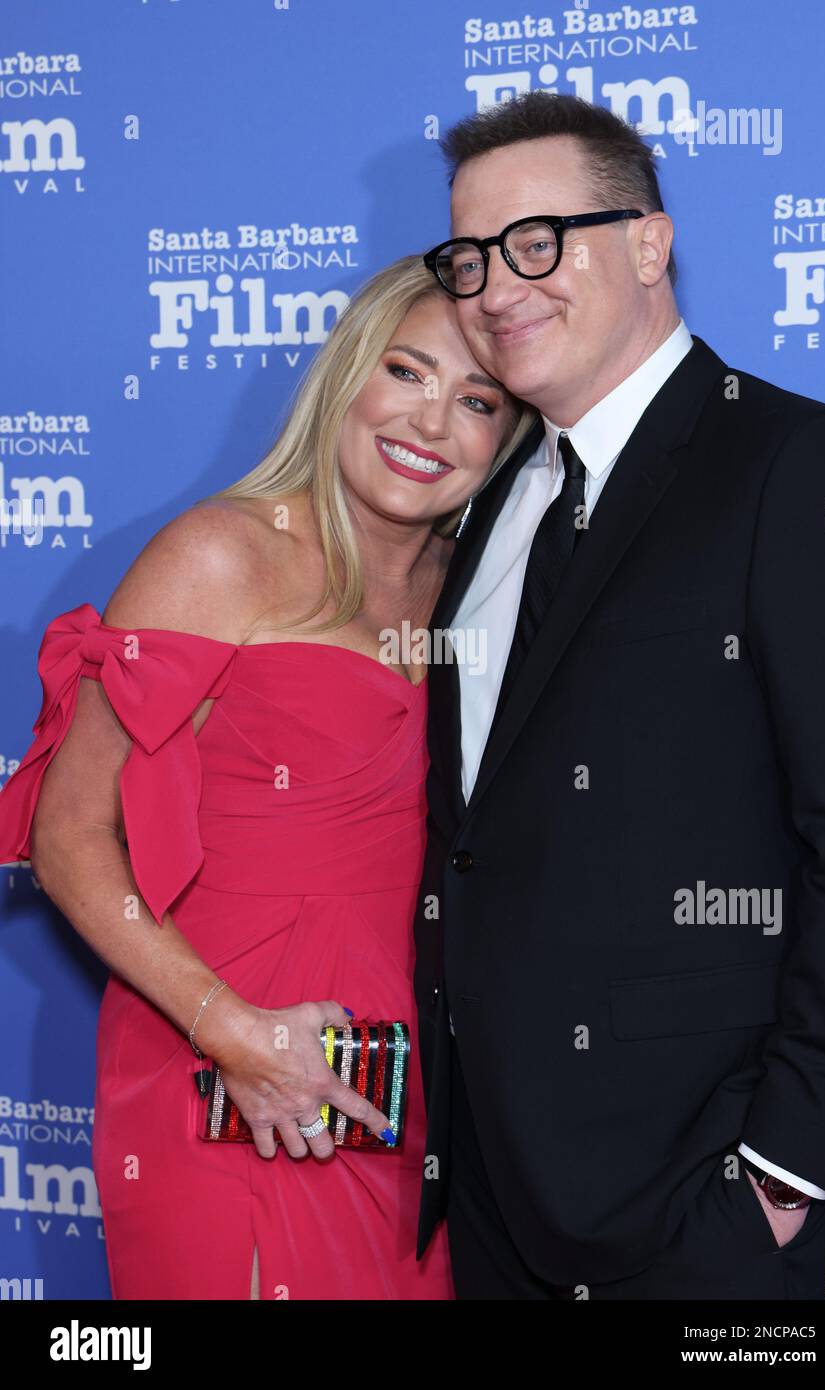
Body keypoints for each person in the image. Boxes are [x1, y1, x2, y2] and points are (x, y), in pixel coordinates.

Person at [0, 255, 534, 1300]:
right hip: (222, 1071)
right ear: (345, 375)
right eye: (405, 371)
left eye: (476, 400)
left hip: (400, 1088)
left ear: (507, 438)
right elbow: (67, 838)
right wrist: (233, 1033)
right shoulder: (220, 555)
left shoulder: (472, 592)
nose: (430, 422)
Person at [413, 91, 825, 1300]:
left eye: (535, 241)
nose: (495, 288)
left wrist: (782, 1173)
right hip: (491, 1198)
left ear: (650, 244)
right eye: (466, 257)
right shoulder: (491, 503)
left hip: (698, 1206)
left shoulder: (802, 469)